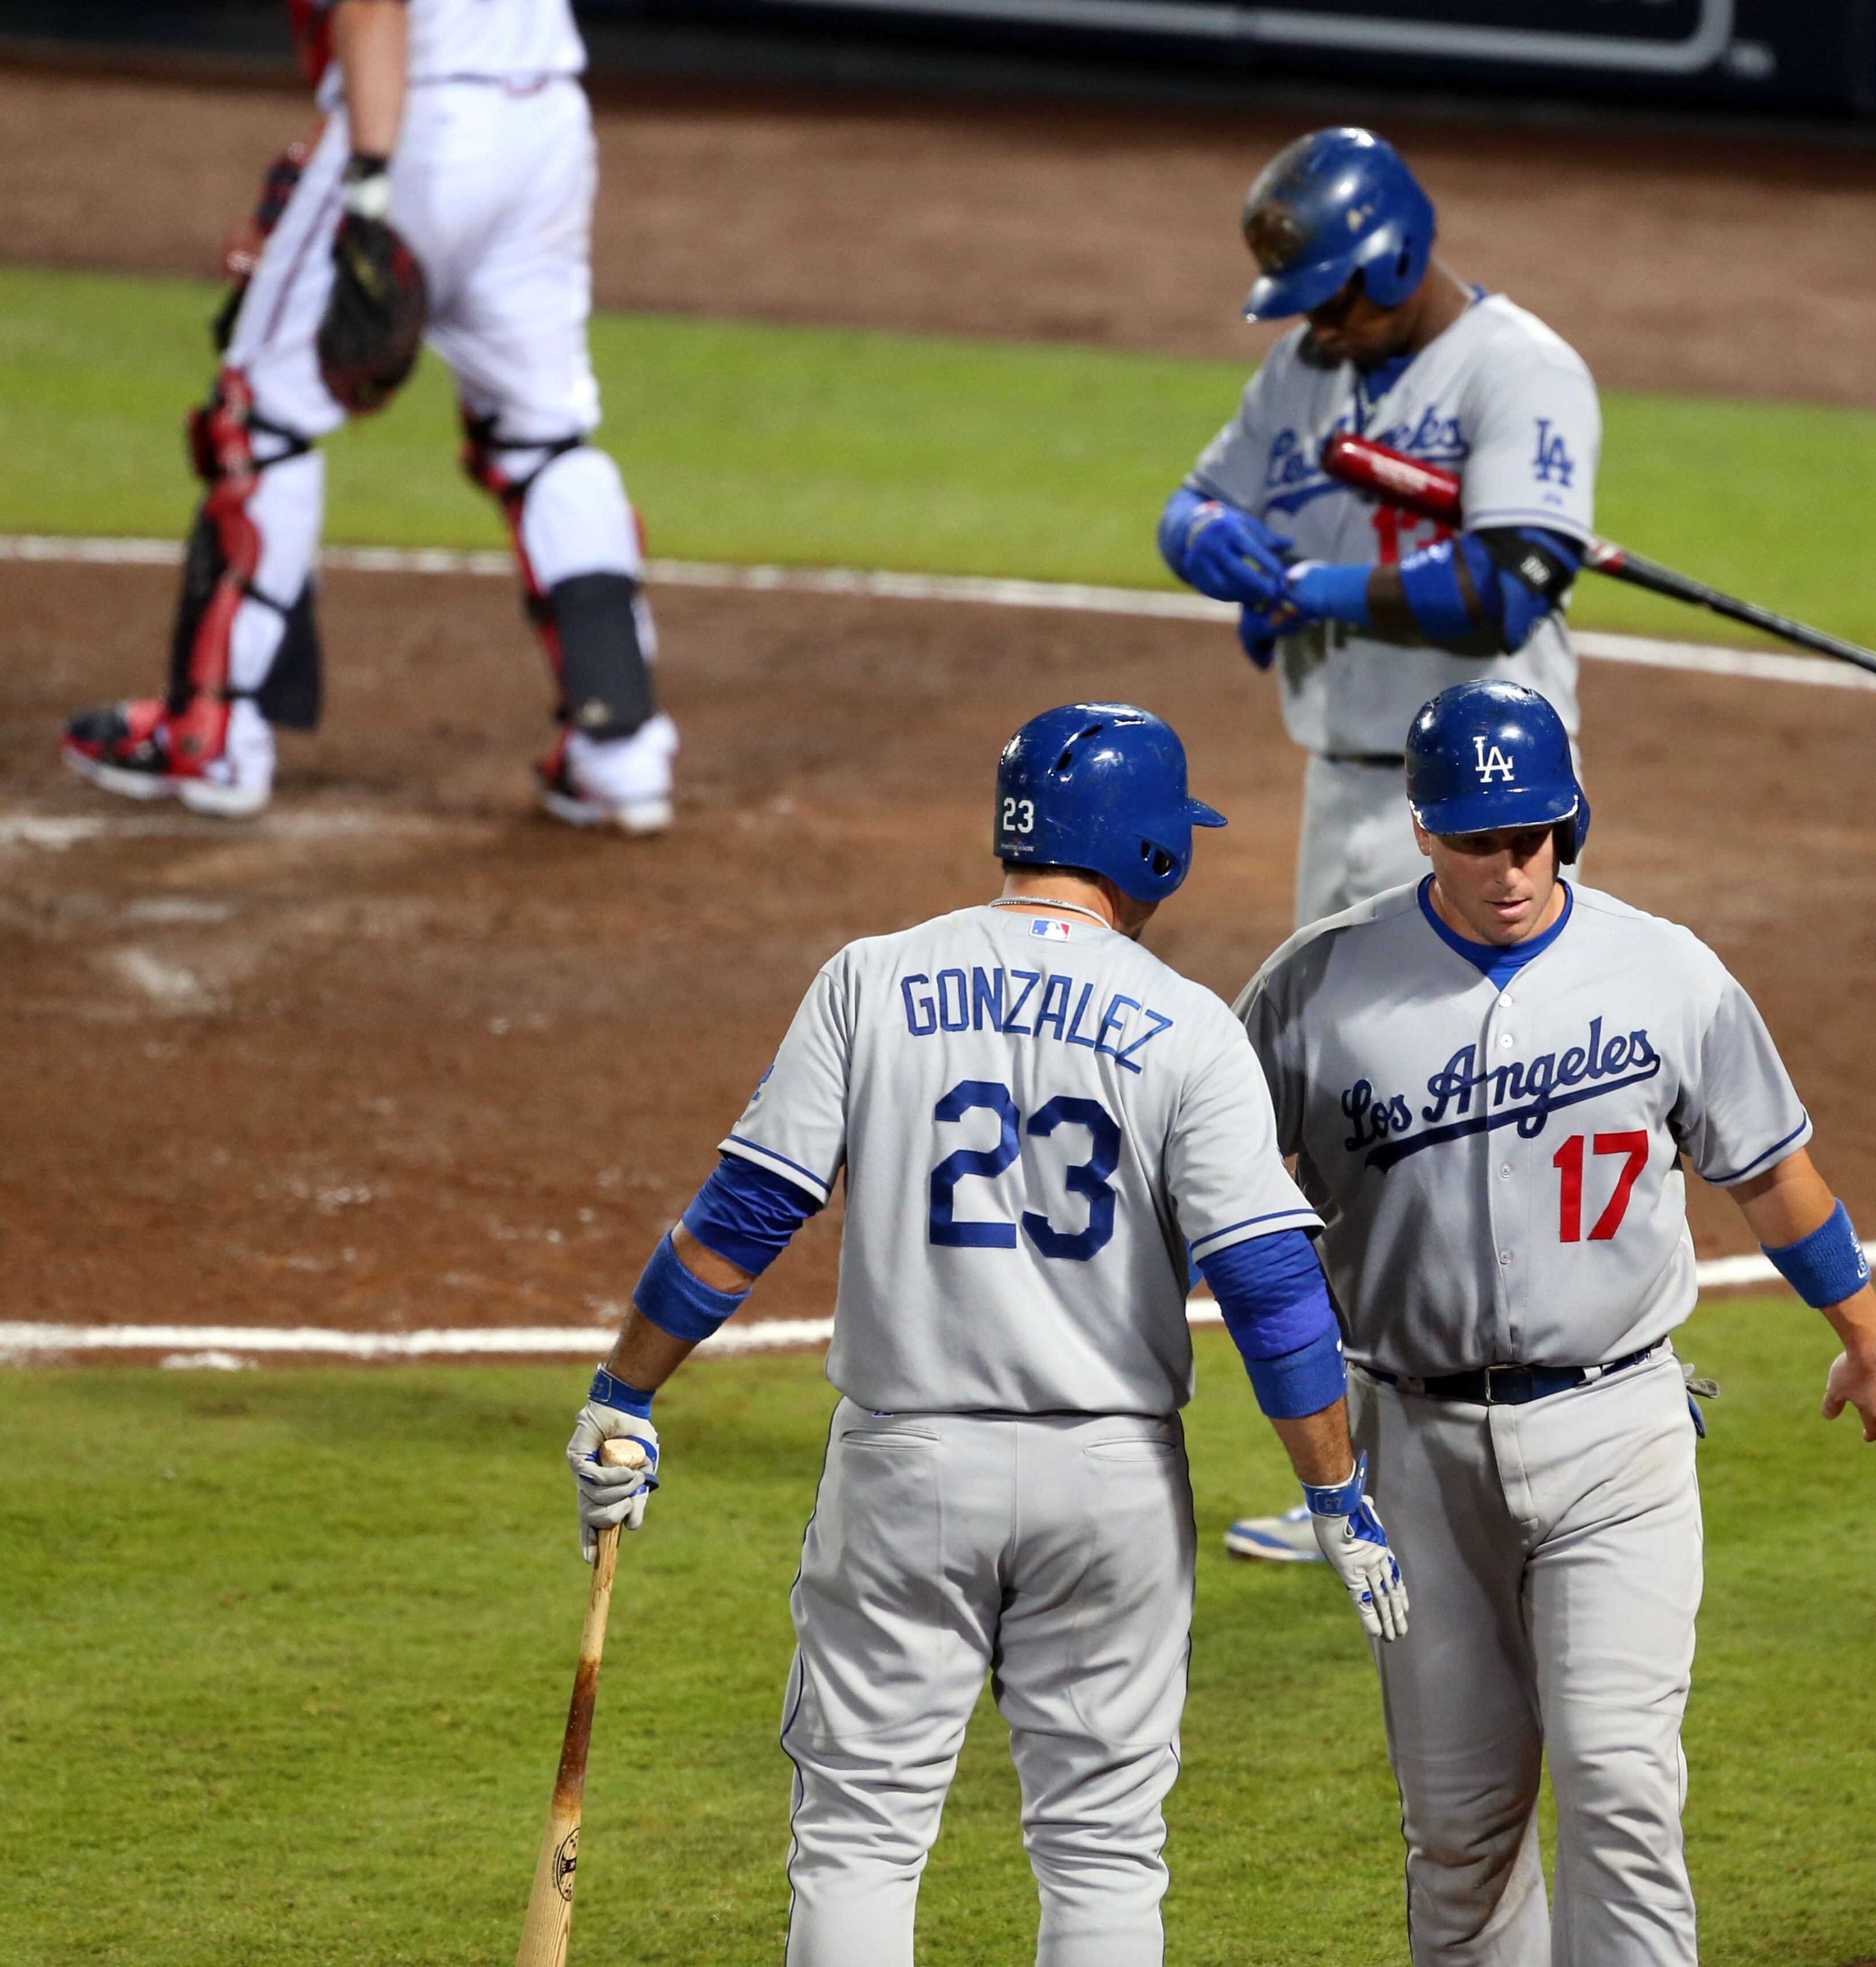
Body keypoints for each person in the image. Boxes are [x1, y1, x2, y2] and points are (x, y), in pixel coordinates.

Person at [563, 702, 1407, 1967]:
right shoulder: (1186, 1026)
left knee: (859, 1833)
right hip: (1110, 1481)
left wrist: (623, 1394)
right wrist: (1335, 1491)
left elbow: (743, 1215)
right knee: (1104, 1847)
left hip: (906, 1469)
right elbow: (1273, 1287)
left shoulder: (871, 977)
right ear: (1152, 854)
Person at [1233, 678, 1876, 1965]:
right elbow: (1211, 1188)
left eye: (1534, 837)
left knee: (1620, 1782)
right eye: (1482, 839)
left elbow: (1768, 1168)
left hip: (1621, 1430)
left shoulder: (1665, 970)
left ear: (1572, 823)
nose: (1511, 868)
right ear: (1424, 827)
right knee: (1460, 1828)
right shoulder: (1314, 987)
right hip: (1418, 1447)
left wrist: (1866, 1325)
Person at [1156, 125, 1604, 1564]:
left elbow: (1497, 589)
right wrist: (1203, 541)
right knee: (1352, 1123)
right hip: (1348, 791)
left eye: (1337, 298)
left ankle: (1496, 1438)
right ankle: (1367, 1459)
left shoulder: (1520, 371)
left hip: (1485, 810)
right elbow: (1203, 493)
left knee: (1466, 1122)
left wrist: (1317, 582)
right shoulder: (1310, 368)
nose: (1321, 329)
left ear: (1400, 258)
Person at [60, 0, 678, 832]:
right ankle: (622, 758)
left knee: (258, 422)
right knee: (541, 436)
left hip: (419, 126)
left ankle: (213, 734)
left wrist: (367, 181)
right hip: (547, 122)